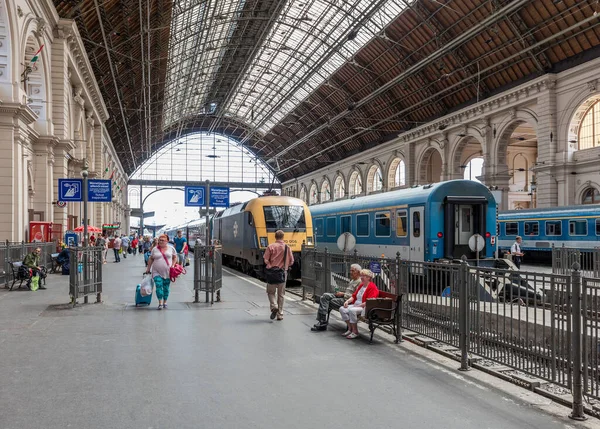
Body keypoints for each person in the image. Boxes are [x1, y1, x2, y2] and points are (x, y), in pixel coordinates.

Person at [311, 264, 362, 331]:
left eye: (353, 271)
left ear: (358, 272)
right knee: (324, 296)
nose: (351, 273)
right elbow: (348, 292)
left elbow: (355, 296)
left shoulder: (360, 282)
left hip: (347, 300)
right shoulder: (352, 280)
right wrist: (341, 293)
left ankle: (322, 322)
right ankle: (322, 321)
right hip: (344, 296)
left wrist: (343, 294)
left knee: (327, 302)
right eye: (350, 270)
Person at [339, 269, 379, 339]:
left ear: (368, 278)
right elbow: (354, 296)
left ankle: (355, 331)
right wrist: (347, 301)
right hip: (356, 305)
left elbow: (370, 301)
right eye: (361, 275)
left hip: (364, 307)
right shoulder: (361, 286)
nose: (361, 277)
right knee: (342, 309)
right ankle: (350, 328)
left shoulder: (372, 287)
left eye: (364, 276)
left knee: (352, 311)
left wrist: (360, 305)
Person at [263, 230, 294, 321]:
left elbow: (265, 259)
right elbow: (291, 261)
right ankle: (280, 314)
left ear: (275, 237)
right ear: (283, 237)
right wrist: (285, 266)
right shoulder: (287, 248)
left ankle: (274, 306)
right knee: (281, 295)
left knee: (271, 292)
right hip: (282, 273)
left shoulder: (270, 246)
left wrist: (270, 265)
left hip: (272, 272)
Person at [145, 234, 178, 310]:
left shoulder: (171, 248)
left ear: (167, 241)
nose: (160, 241)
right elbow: (151, 259)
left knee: (166, 288)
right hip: (156, 272)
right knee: (158, 286)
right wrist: (148, 268)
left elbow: (175, 257)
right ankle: (160, 302)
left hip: (168, 272)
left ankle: (165, 302)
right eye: (160, 240)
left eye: (162, 240)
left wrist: (173, 265)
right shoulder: (154, 249)